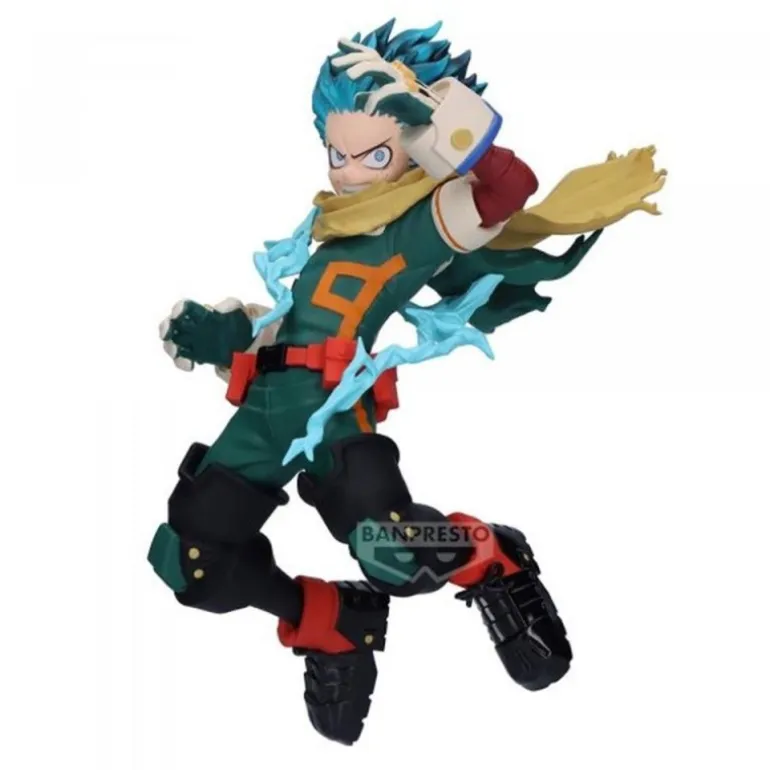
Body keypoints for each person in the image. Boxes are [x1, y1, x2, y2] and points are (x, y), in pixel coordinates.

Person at [148, 19, 666, 745]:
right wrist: (225, 336)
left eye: (375, 154)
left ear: (417, 147)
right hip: (265, 413)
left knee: (394, 551)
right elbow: (292, 327)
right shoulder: (331, 229)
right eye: (338, 153)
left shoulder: (415, 228)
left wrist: (443, 127)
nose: (350, 171)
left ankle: (487, 553)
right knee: (190, 560)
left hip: (334, 416)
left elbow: (508, 188)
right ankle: (333, 625)